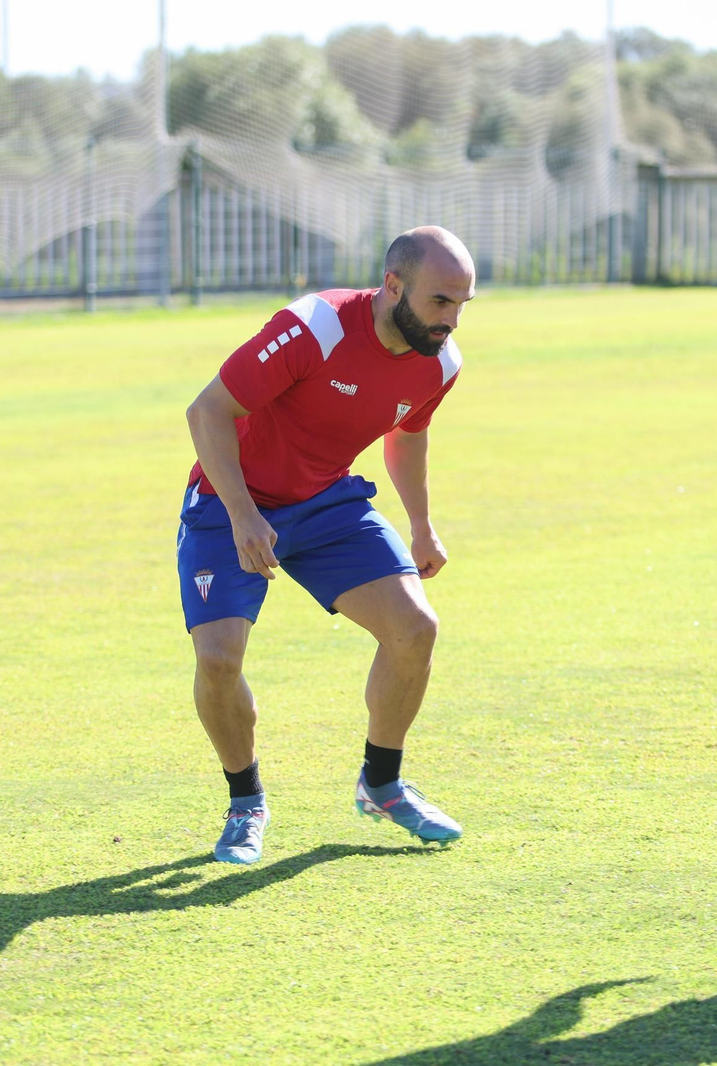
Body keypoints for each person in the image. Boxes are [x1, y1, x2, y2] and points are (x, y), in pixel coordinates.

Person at [178, 226, 474, 864]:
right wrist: (243, 513)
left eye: (460, 305)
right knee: (219, 660)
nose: (450, 321)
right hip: (229, 500)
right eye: (439, 302)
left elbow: (409, 434)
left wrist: (422, 525)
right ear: (393, 285)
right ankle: (245, 802)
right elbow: (207, 412)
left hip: (326, 503)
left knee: (415, 628)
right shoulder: (316, 326)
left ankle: (382, 783)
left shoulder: (440, 364)